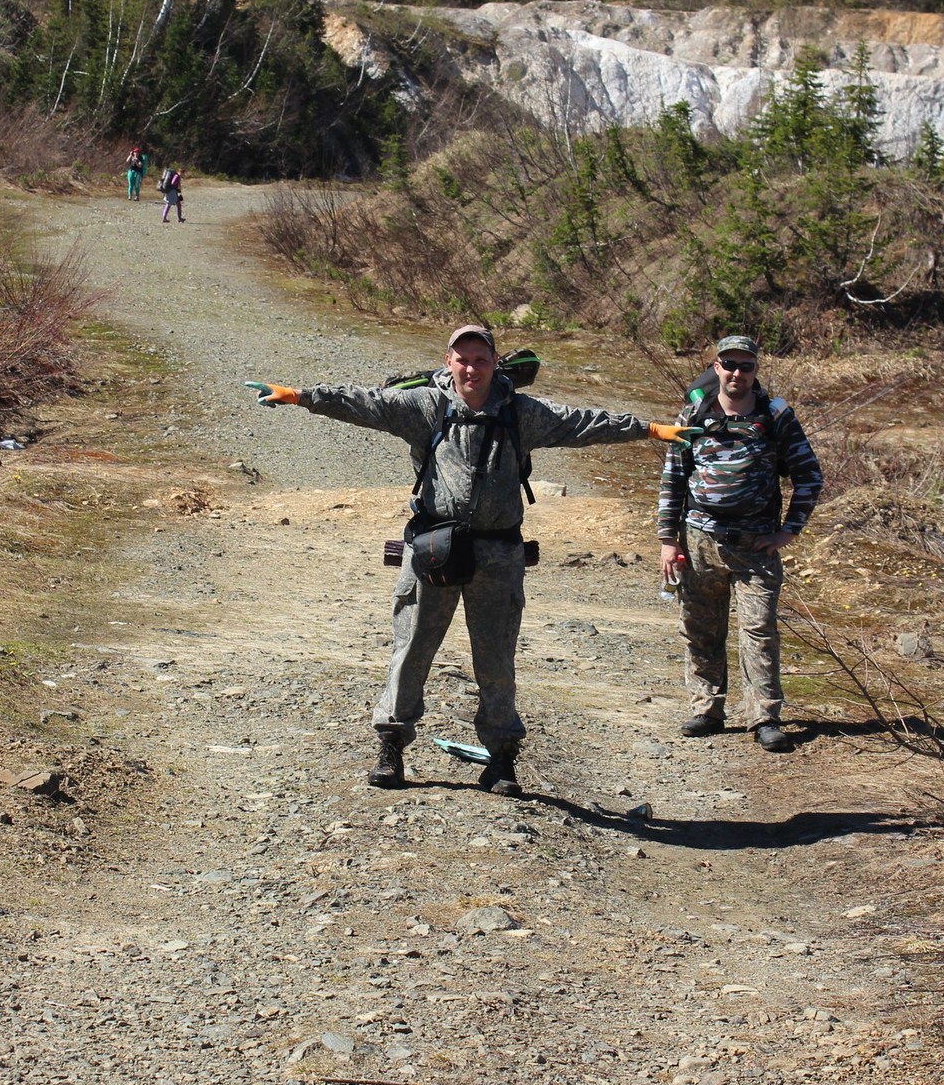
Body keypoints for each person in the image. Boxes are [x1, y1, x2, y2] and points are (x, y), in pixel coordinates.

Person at [247, 326, 700, 795]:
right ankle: (392, 746)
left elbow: (582, 422)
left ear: (494, 362)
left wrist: (649, 429)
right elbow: (365, 403)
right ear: (448, 362)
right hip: (433, 549)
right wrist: (299, 396)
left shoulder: (523, 413)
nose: (470, 369)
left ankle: (502, 760)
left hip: (500, 555)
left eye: (480, 360)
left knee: (497, 659)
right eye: (462, 360)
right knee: (412, 650)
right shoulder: (426, 406)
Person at [657, 335, 824, 753]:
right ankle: (707, 710)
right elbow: (673, 478)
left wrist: (789, 531)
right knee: (700, 629)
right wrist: (666, 540)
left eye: (745, 366)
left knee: (759, 631)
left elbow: (809, 475)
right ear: (716, 367)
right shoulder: (693, 414)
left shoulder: (776, 416)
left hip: (756, 547)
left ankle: (764, 717)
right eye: (729, 364)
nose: (737, 373)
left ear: (755, 370)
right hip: (698, 541)